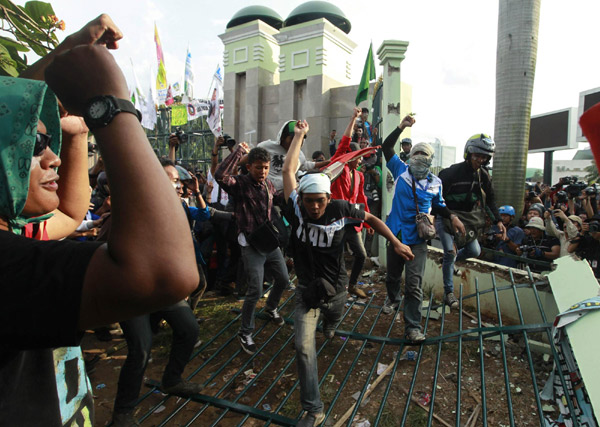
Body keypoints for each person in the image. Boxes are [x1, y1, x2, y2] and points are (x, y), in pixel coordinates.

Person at [0, 23, 198, 426]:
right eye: (36, 145)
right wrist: (109, 106)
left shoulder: (17, 232)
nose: (52, 158)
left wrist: (66, 53)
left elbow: (72, 214)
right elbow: (165, 271)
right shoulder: (7, 265)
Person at [281, 120, 413, 427]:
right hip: (307, 291)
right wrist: (299, 136)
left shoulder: (341, 209)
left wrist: (395, 243)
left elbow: (373, 220)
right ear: (301, 200)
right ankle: (314, 410)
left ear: (328, 199)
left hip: (337, 289)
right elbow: (289, 171)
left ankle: (331, 325)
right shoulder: (297, 209)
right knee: (303, 347)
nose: (313, 207)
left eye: (319, 201)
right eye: (308, 201)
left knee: (334, 318)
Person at [111, 158, 206, 426]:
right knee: (141, 348)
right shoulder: (133, 204)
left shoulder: (178, 209)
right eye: (169, 178)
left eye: (176, 180)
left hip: (163, 287)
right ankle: (123, 413)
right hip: (132, 290)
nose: (175, 184)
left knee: (189, 329)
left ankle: (172, 380)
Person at [381, 115, 464, 342]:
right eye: (415, 153)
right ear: (409, 156)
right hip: (397, 235)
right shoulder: (400, 170)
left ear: (430, 159)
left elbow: (439, 205)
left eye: (423, 155)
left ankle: (413, 328)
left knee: (414, 284)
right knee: (393, 277)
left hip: (418, 239)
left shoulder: (435, 183)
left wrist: (453, 217)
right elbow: (386, 147)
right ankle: (392, 298)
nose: (418, 158)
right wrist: (401, 127)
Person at [215, 143, 288, 354]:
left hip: (268, 241)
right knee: (255, 289)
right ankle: (245, 332)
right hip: (250, 244)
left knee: (283, 279)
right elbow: (220, 175)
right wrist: (238, 152)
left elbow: (278, 199)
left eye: (265, 167)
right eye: (258, 167)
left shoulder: (268, 185)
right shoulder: (239, 184)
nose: (263, 172)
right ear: (249, 167)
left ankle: (271, 307)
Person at [435, 134, 505, 308]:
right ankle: (449, 293)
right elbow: (435, 201)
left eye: (484, 157)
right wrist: (449, 216)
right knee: (450, 252)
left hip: (467, 220)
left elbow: (490, 200)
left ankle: (448, 264)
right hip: (446, 216)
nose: (480, 160)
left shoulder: (484, 176)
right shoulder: (450, 173)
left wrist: (499, 221)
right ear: (469, 153)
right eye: (477, 155)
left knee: (474, 250)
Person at [330, 108, 373, 298]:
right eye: (358, 156)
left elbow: (361, 198)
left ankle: (353, 284)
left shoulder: (360, 175)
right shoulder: (338, 168)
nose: (361, 160)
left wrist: (367, 220)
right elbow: (343, 143)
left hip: (352, 223)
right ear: (349, 156)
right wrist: (353, 119)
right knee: (336, 259)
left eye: (362, 156)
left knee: (361, 255)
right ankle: (335, 290)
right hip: (335, 222)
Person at [254, 121, 327, 192]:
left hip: (287, 193)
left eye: (300, 138)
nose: (296, 141)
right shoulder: (265, 146)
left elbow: (305, 165)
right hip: (266, 191)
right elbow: (250, 158)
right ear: (283, 137)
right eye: (293, 138)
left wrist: (329, 162)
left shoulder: (299, 154)